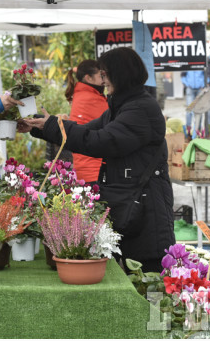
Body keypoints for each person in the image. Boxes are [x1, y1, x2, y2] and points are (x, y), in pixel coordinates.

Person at [19, 47, 175, 271]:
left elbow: (101, 141)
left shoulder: (141, 109)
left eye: (105, 74)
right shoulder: (121, 106)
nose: (103, 80)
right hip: (132, 205)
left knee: (148, 283)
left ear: (119, 74)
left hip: (147, 212)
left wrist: (52, 125)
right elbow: (85, 131)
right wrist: (41, 126)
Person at [63, 60, 109, 183]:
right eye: (101, 76)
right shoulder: (91, 98)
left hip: (84, 169)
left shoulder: (82, 94)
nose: (104, 81)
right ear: (88, 78)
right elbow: (114, 121)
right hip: (94, 170)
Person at [180, 70, 205, 137]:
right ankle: (188, 129)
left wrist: (203, 84)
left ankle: (198, 130)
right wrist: (187, 84)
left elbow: (206, 75)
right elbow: (182, 75)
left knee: (199, 110)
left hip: (199, 89)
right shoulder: (189, 62)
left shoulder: (201, 62)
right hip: (190, 89)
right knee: (189, 109)